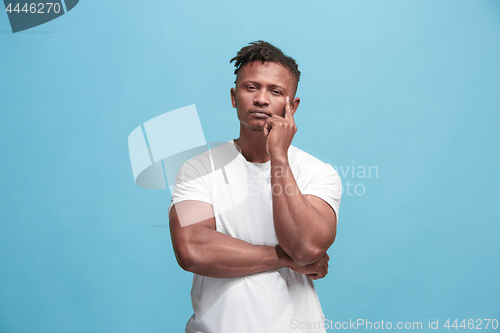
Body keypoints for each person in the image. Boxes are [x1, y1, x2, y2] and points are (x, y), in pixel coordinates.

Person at [168, 41, 342, 333]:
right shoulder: (198, 168)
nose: (261, 99)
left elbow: (307, 245)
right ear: (234, 97)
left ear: (292, 106)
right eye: (251, 88)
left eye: (275, 91)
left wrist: (279, 156)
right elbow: (192, 250)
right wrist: (287, 259)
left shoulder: (318, 172)